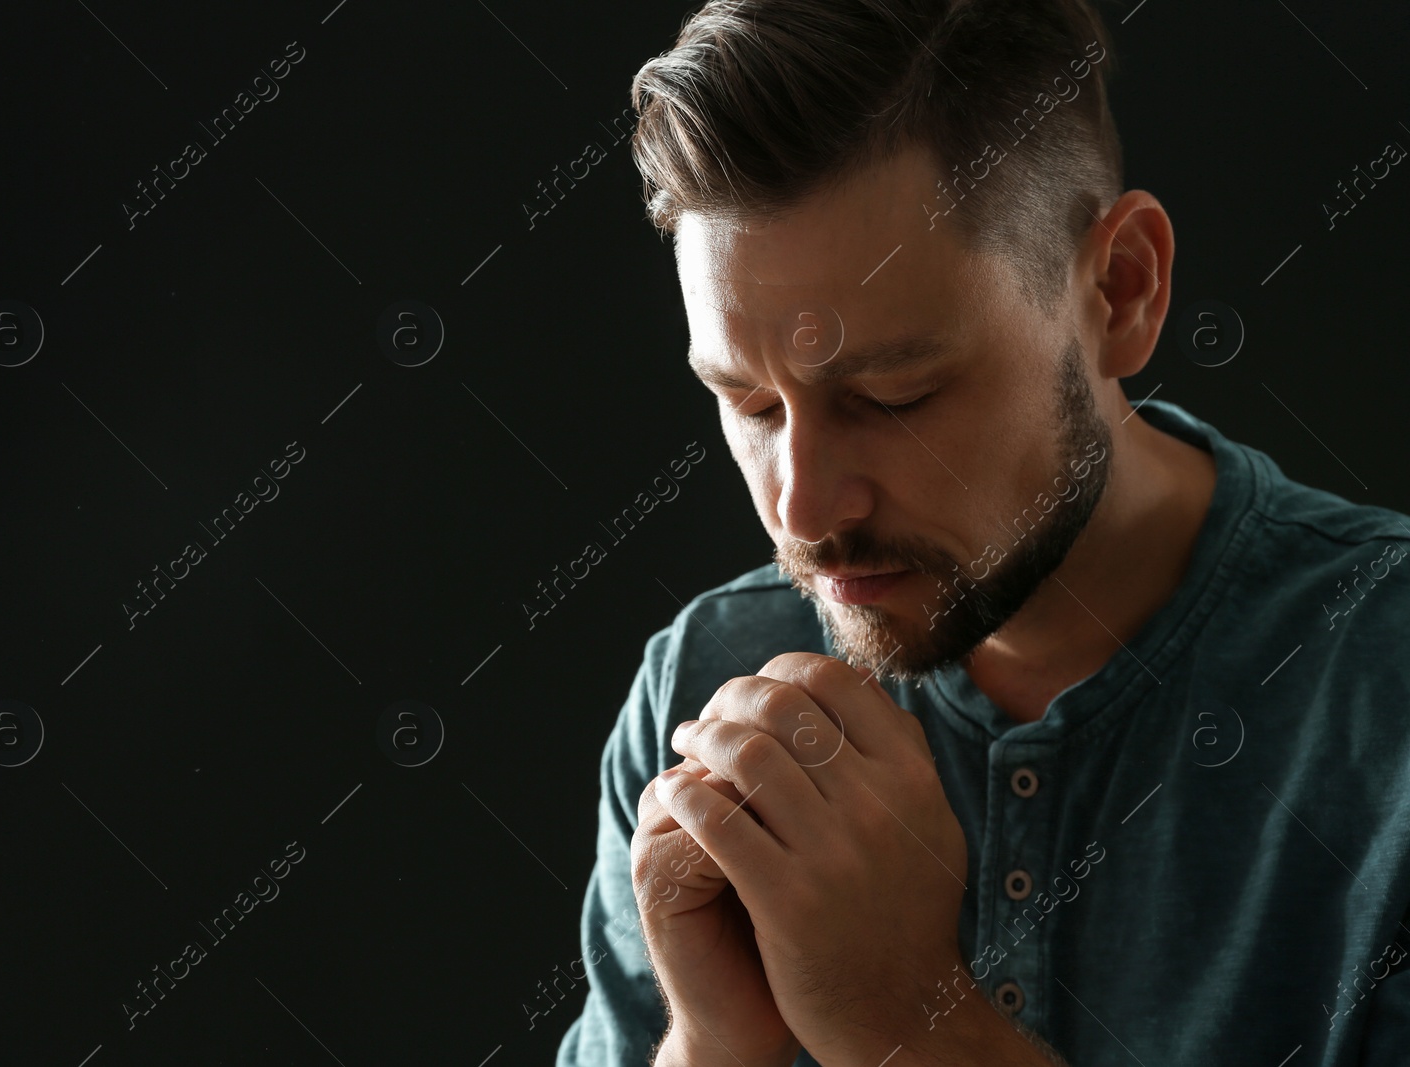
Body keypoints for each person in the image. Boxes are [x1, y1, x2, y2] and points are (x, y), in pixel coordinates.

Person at [555, 1, 1410, 1065]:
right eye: (751, 405)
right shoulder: (706, 683)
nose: (803, 510)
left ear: (1121, 289)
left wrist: (900, 1017)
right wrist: (714, 1040)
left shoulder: (1383, 692)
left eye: (893, 394)